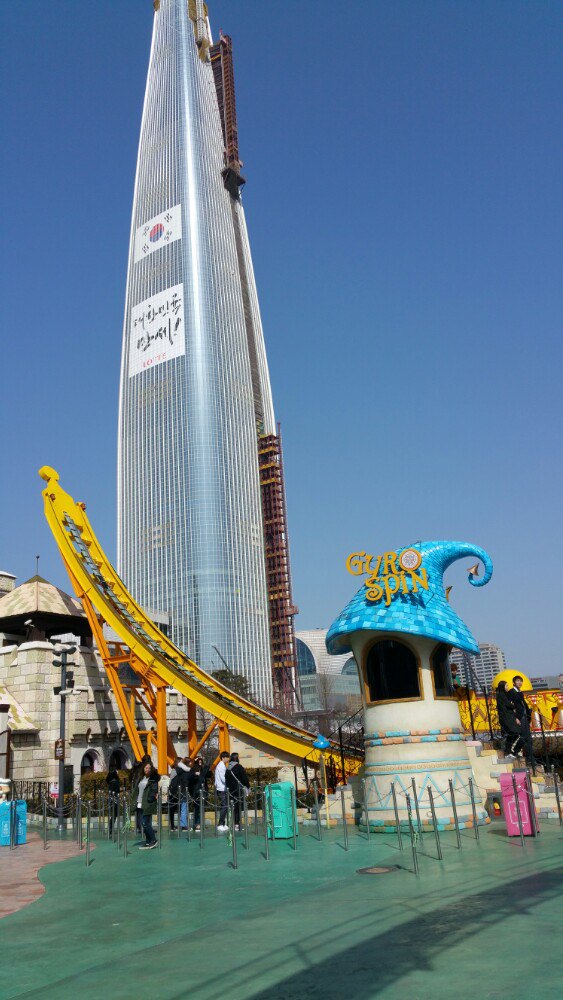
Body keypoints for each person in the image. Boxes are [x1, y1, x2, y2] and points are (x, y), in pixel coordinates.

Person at [508, 676, 533, 764]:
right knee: (523, 736)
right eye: (518, 681)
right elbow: (510, 707)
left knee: (529, 738)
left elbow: (523, 705)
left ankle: (530, 760)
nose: (519, 682)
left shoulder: (520, 692)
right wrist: (515, 718)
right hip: (519, 717)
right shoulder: (511, 692)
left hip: (525, 716)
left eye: (520, 681)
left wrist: (529, 718)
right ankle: (514, 752)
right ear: (514, 682)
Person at [495, 681, 522, 760]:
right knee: (513, 732)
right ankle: (507, 752)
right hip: (506, 718)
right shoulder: (501, 695)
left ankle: (508, 750)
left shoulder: (504, 695)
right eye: (506, 686)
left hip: (509, 717)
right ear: (502, 686)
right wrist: (514, 706)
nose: (507, 687)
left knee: (516, 733)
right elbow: (508, 704)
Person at [225, 752, 250, 831]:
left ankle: (232, 823)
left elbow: (226, 780)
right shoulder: (239, 767)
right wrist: (248, 786)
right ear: (237, 758)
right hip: (238, 790)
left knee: (232, 807)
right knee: (238, 807)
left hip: (231, 791)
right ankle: (237, 824)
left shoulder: (228, 768)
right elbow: (244, 778)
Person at [138, 761, 160, 850]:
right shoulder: (142, 778)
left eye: (149, 768)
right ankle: (148, 841)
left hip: (147, 803)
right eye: (146, 768)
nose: (147, 769)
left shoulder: (153, 779)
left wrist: (150, 800)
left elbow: (154, 790)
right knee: (144, 823)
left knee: (145, 822)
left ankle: (153, 840)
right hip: (140, 803)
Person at [132, 754, 152, 834]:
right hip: (143, 794)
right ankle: (145, 827)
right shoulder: (143, 771)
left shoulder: (137, 770)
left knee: (139, 811)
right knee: (144, 811)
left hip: (138, 794)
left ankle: (140, 827)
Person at [189, 755, 210, 831]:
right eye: (199, 762)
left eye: (201, 762)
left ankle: (201, 823)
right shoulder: (193, 769)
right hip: (196, 791)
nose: (200, 763)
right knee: (197, 808)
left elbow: (208, 775)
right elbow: (190, 779)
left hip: (203, 790)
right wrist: (195, 774)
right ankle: (197, 823)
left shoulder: (203, 769)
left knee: (202, 808)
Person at [214, 751, 230, 832]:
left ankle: (223, 823)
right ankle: (220, 824)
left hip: (222, 788)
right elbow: (223, 778)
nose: (228, 759)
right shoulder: (221, 766)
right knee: (224, 806)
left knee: (225, 806)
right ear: (223, 758)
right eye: (227, 757)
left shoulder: (222, 765)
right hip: (222, 789)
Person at [177, 757, 192, 829]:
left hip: (181, 790)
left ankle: (183, 823)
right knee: (184, 807)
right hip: (184, 790)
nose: (191, 763)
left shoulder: (180, 770)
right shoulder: (186, 772)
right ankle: (183, 824)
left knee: (183, 807)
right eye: (190, 762)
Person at [106, 768, 120, 835]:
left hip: (110, 799)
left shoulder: (110, 782)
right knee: (114, 814)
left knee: (112, 814)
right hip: (114, 799)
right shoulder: (115, 782)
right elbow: (117, 791)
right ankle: (110, 828)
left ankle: (110, 828)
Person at [167, 764, 179, 832]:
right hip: (173, 792)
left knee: (174, 809)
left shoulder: (177, 771)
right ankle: (172, 825)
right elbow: (171, 781)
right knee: (172, 809)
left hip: (176, 792)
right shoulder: (175, 771)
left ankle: (173, 825)